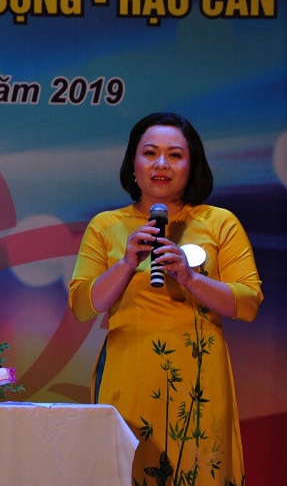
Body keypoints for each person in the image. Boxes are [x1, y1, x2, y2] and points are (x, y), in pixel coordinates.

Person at [69, 112, 263, 485]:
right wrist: (127, 263)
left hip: (198, 375)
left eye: (175, 155)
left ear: (192, 166)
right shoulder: (106, 226)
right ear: (133, 164)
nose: (161, 164)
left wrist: (190, 278)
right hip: (129, 371)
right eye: (150, 153)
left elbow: (249, 302)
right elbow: (81, 305)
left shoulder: (220, 222)